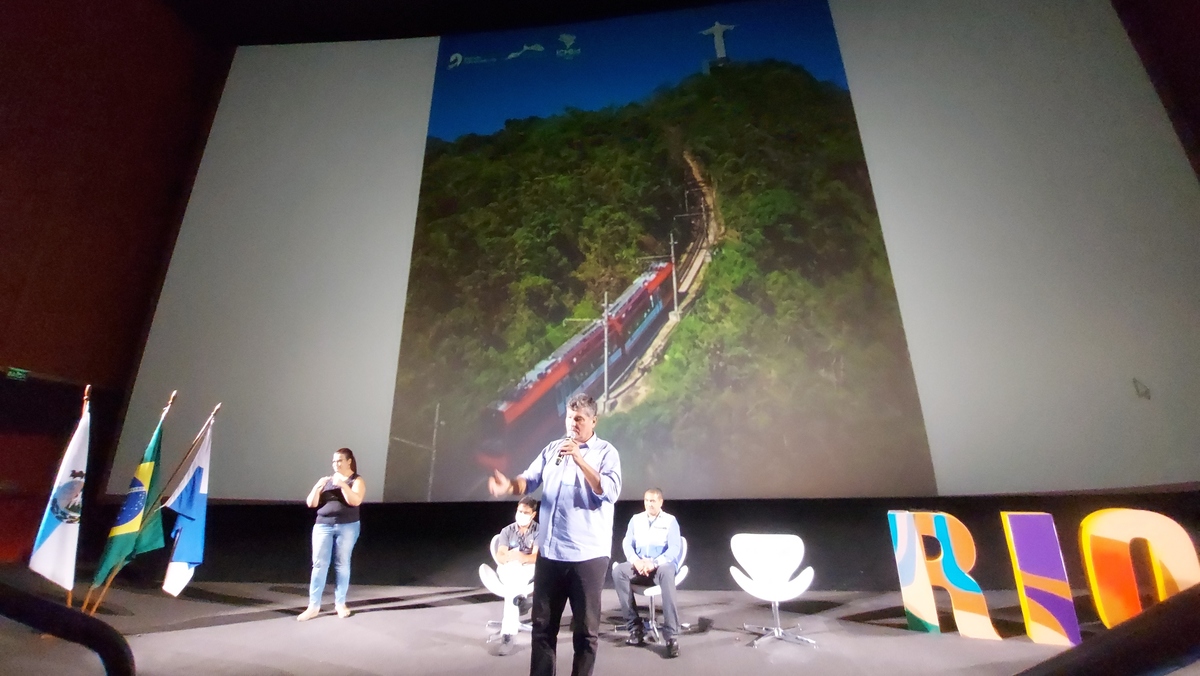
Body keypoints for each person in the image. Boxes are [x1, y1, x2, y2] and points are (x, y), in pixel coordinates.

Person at [488, 393, 622, 676]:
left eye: (579, 419)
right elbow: (528, 480)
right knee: (542, 629)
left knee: (585, 633)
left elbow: (609, 491)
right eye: (570, 418)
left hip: (587, 558)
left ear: (594, 421)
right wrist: (509, 486)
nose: (573, 423)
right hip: (550, 555)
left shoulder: (606, 453)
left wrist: (580, 460)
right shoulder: (552, 449)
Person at [612, 488, 683, 658]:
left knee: (667, 572)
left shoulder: (670, 521)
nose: (649, 504)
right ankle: (635, 629)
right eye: (646, 501)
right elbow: (627, 544)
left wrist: (654, 563)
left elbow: (674, 548)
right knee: (618, 571)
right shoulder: (636, 520)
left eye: (652, 501)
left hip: (660, 566)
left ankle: (671, 636)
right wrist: (636, 561)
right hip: (640, 564)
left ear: (660, 502)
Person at [298, 448, 365, 621]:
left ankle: (340, 604)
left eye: (340, 460)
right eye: (334, 461)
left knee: (342, 564)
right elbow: (311, 503)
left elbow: (355, 501)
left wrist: (342, 485)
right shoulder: (327, 481)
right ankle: (313, 606)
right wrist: (317, 486)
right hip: (323, 526)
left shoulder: (356, 480)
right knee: (319, 565)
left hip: (347, 526)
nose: (336, 464)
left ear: (349, 461)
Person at [494, 496, 540, 656]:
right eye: (519, 511)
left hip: (527, 568)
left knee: (511, 589)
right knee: (512, 577)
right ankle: (521, 600)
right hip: (508, 568)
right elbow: (500, 556)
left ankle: (508, 634)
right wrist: (511, 557)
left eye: (525, 512)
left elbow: (536, 557)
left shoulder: (539, 531)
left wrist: (522, 557)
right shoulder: (507, 531)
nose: (521, 515)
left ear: (533, 514)